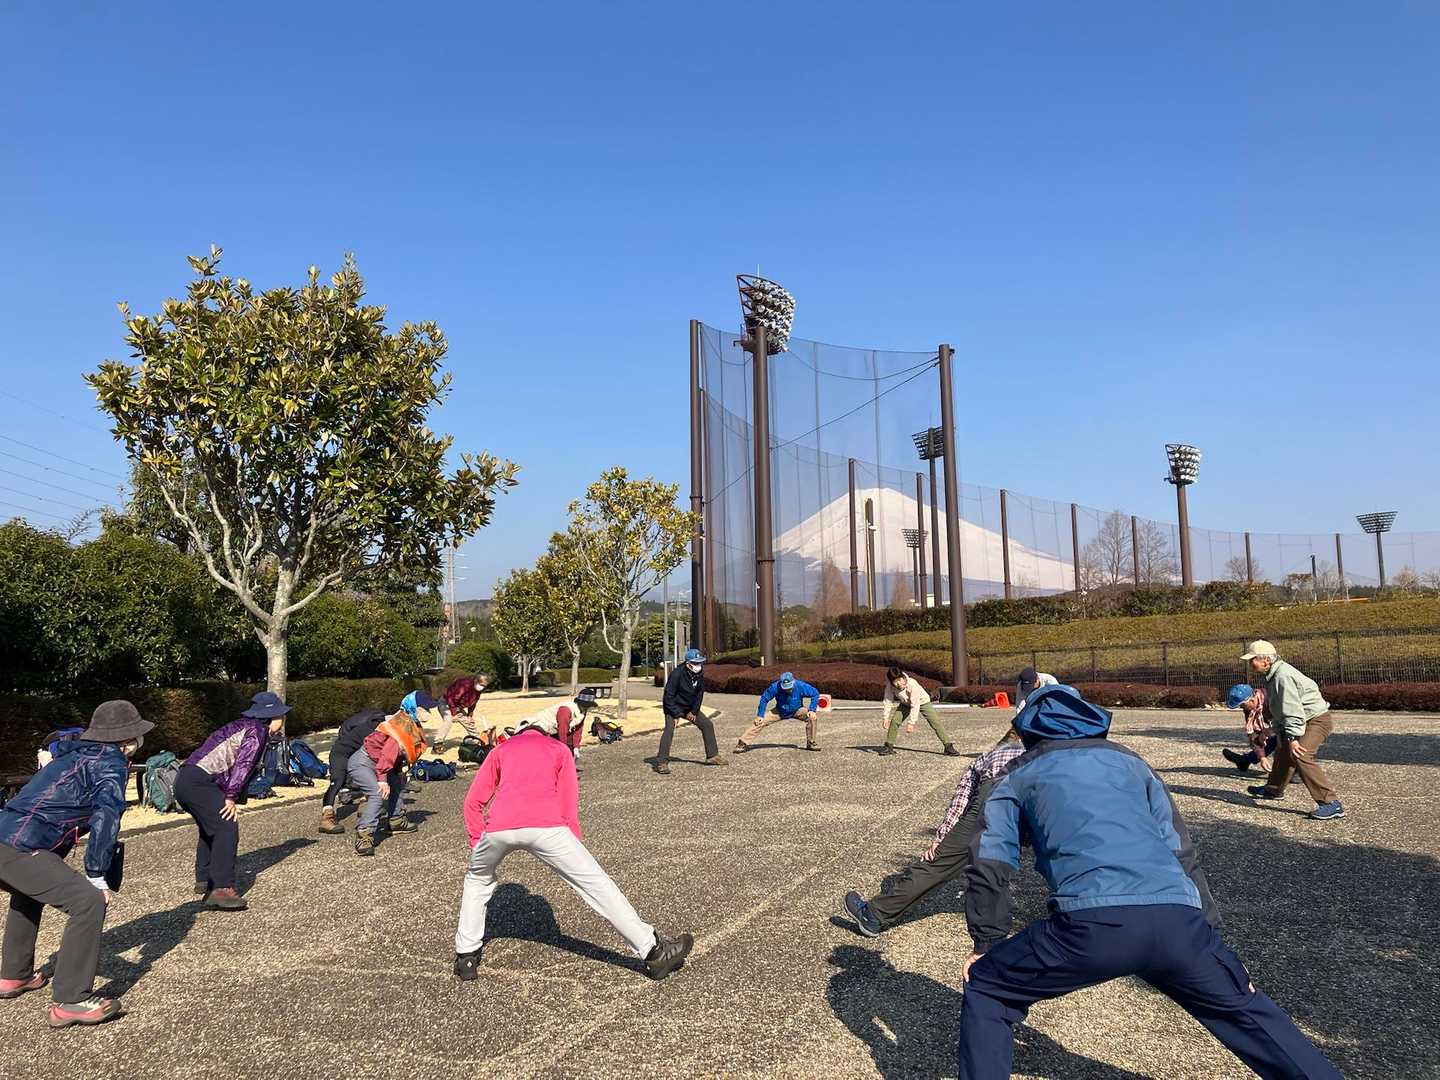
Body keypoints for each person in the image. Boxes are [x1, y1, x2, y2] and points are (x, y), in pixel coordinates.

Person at [956, 684, 1342, 1079]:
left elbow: (990, 862)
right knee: (1248, 1012)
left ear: (1027, 728)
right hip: (1179, 922)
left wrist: (987, 942)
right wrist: (1211, 939)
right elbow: (1181, 849)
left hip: (1090, 925)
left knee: (988, 987)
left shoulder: (1016, 774)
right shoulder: (1132, 762)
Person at [454, 707, 694, 982]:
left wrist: (477, 842)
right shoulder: (558, 749)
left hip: (499, 827)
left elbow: (473, 802)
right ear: (547, 732)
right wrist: (574, 848)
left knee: (477, 880)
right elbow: (568, 803)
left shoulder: (501, 750)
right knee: (596, 884)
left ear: (518, 732)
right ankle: (653, 951)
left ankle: (466, 956)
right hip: (547, 826)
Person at [0, 700, 152, 1029]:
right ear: (128, 740)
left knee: (29, 891)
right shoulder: (111, 762)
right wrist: (97, 874)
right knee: (88, 901)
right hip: (22, 845)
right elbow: (107, 816)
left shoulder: (74, 754)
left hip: (6, 839)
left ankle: (14, 975)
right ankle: (71, 1000)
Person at [843, 725, 1024, 936]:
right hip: (1045, 791)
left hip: (997, 792)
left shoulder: (995, 754)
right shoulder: (1050, 749)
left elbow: (964, 796)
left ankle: (874, 914)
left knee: (940, 863)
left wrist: (943, 837)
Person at [174, 690, 289, 911]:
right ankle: (221, 888)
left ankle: (205, 879)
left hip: (185, 778)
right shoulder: (257, 731)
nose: (282, 721)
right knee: (227, 826)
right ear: (272, 717)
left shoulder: (239, 725)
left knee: (211, 827)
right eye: (281, 716)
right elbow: (244, 764)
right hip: (199, 781)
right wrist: (230, 797)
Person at [1240, 641, 1345, 821]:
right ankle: (1273, 790)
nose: (1251, 664)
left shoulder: (1282, 676)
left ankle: (1331, 803)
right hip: (1303, 718)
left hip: (1315, 719)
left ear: (1266, 660)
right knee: (1282, 751)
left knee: (1300, 754)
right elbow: (1280, 709)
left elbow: (1292, 710)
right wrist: (1273, 731)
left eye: (1253, 660)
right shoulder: (1272, 675)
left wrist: (1293, 738)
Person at [343, 691, 437, 856]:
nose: (428, 713)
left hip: (378, 762)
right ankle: (364, 835)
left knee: (397, 784)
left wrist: (398, 772)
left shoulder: (408, 722)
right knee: (378, 793)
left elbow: (396, 756)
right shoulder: (399, 728)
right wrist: (382, 780)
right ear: (413, 709)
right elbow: (387, 755)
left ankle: (396, 820)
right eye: (424, 709)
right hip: (363, 763)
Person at [655, 648, 725, 775]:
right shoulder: (677, 674)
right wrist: (675, 714)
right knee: (669, 729)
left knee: (707, 725)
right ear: (688, 664)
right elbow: (668, 696)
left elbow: (699, 694)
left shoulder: (700, 673)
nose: (699, 665)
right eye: (695, 663)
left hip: (689, 707)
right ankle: (662, 762)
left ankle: (712, 756)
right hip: (673, 706)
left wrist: (694, 711)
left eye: (700, 662)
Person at [318, 707, 386, 835]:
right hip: (340, 753)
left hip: (355, 754)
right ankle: (326, 817)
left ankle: (366, 805)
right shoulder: (373, 730)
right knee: (337, 782)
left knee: (368, 773)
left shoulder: (369, 724)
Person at [880, 667, 960, 757]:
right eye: (896, 681)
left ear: (903, 676)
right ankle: (888, 746)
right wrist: (885, 718)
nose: (900, 683)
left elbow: (915, 704)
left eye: (900, 679)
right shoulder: (890, 686)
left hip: (922, 702)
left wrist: (911, 723)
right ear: (891, 682)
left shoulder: (912, 684)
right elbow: (888, 701)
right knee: (895, 721)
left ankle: (948, 746)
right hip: (905, 704)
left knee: (936, 723)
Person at [735, 671, 822, 753]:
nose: (787, 690)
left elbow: (815, 693)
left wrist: (812, 710)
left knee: (812, 717)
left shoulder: (801, 686)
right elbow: (764, 698)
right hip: (779, 711)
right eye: (785, 688)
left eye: (789, 687)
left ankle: (811, 743)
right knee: (760, 721)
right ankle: (742, 743)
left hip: (797, 710)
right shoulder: (775, 687)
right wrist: (760, 715)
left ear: (794, 682)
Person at [1221, 683, 1277, 773]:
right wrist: (1262, 757)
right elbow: (1254, 734)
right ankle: (1245, 761)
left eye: (1242, 705)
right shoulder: (1251, 711)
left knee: (1282, 739)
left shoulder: (1273, 698)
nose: (1242, 708)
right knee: (1270, 738)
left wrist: (1271, 730)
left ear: (1252, 700)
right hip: (1282, 725)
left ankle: (1292, 772)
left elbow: (1288, 720)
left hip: (1297, 723)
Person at [436, 673, 491, 750]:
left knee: (469, 723)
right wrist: (454, 714)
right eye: (482, 685)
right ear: (476, 681)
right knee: (448, 720)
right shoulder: (464, 685)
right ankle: (437, 744)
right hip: (446, 703)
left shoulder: (478, 690)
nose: (482, 687)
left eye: (484, 686)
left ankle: (478, 742)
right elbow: (451, 698)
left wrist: (469, 715)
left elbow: (473, 702)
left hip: (457, 707)